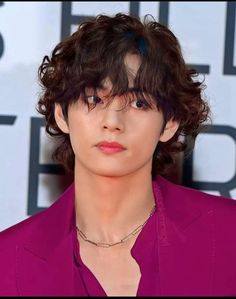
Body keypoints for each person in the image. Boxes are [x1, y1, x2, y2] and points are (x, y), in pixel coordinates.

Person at [1, 12, 236, 297]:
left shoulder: (228, 235)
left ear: (170, 123)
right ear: (61, 114)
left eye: (138, 103)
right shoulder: (7, 261)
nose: (112, 121)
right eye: (94, 99)